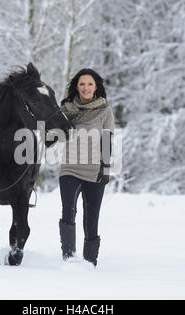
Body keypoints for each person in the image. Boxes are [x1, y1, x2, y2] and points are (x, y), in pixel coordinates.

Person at [58, 68, 115, 267]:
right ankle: (69, 257)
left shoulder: (105, 111)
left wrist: (106, 168)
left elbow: (107, 140)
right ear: (76, 86)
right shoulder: (65, 110)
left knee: (91, 219)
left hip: (94, 170)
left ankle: (90, 262)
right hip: (69, 168)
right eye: (82, 84)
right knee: (68, 211)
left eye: (90, 84)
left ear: (96, 86)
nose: (86, 88)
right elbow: (54, 135)